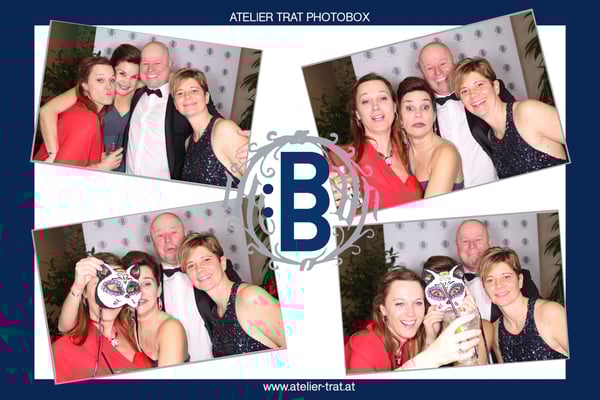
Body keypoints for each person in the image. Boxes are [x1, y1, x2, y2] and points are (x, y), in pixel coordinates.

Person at [122, 41, 249, 180]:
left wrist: (246, 141)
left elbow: (214, 122)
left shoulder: (184, 100)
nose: (150, 69)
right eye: (145, 63)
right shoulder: (136, 94)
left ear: (169, 63)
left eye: (157, 63)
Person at [345, 268, 482, 373]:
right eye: (400, 304)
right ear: (383, 309)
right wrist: (432, 356)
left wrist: (430, 336)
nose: (411, 313)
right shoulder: (363, 345)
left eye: (418, 303)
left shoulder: (411, 342)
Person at [452, 57, 567, 179]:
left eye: (479, 85)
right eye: (464, 91)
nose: (473, 94)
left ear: (495, 87)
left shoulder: (527, 112)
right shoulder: (492, 137)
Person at [150, 212, 241, 362]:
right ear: (153, 244)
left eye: (173, 232)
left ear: (185, 234)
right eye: (160, 236)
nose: (168, 240)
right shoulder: (148, 284)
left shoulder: (215, 269)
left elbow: (241, 309)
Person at [178, 231, 285, 357]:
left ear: (222, 263)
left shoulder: (250, 297)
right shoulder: (216, 314)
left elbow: (299, 346)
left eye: (206, 260)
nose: (199, 269)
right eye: (191, 265)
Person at [37, 44, 142, 171]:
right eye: (122, 73)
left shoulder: (139, 91)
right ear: (111, 69)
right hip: (91, 165)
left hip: (118, 166)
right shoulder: (91, 93)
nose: (127, 82)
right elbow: (47, 110)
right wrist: (53, 153)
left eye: (134, 76)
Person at [418, 42, 508, 187]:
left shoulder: (486, 92)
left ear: (453, 63)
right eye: (429, 68)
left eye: (443, 64)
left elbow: (516, 128)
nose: (438, 72)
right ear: (422, 73)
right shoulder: (421, 112)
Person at [53, 253, 151, 383]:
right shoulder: (64, 351)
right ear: (84, 292)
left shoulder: (136, 332)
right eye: (103, 286)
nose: (111, 297)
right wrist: (77, 286)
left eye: (118, 287)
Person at [329, 73, 422, 210]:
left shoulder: (412, 151)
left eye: (382, 98)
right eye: (366, 101)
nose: (375, 106)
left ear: (394, 106)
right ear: (357, 114)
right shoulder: (340, 158)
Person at [479, 247, 568, 362]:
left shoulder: (550, 313)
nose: (499, 285)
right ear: (484, 288)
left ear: (520, 280)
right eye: (490, 280)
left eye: (506, 277)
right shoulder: (496, 332)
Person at [34, 56, 117, 169]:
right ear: (85, 85)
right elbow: (61, 174)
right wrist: (101, 167)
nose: (109, 86)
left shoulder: (85, 110)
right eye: (100, 80)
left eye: (112, 80)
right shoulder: (86, 119)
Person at [169, 68, 248, 187]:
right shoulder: (188, 142)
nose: (187, 96)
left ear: (206, 97)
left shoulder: (224, 130)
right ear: (176, 105)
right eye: (180, 93)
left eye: (194, 90)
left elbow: (262, 181)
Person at [456, 219, 539, 321]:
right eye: (465, 241)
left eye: (478, 239)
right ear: (457, 245)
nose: (472, 246)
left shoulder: (520, 278)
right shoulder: (445, 286)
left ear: (489, 242)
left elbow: (539, 316)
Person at [397, 76, 463, 197]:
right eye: (409, 108)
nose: (418, 114)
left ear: (434, 115)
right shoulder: (401, 154)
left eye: (425, 107)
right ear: (400, 118)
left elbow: (431, 208)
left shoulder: (446, 153)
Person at [121, 251, 188, 367]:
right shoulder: (125, 326)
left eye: (146, 284)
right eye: (131, 285)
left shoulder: (171, 329)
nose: (139, 292)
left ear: (158, 289)